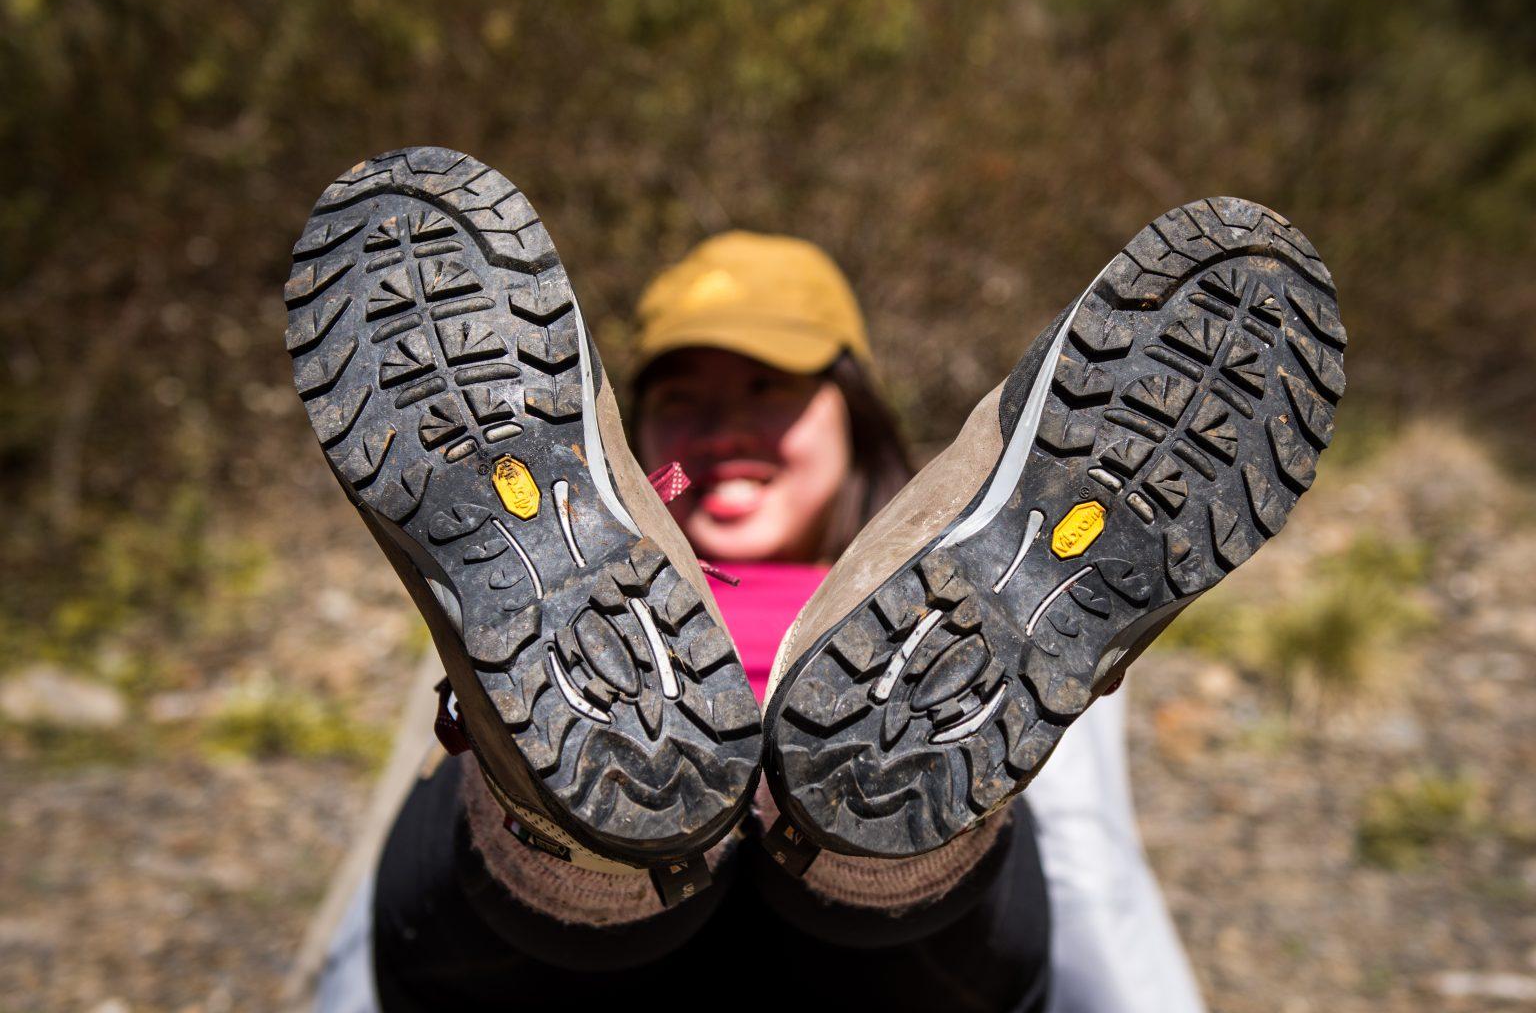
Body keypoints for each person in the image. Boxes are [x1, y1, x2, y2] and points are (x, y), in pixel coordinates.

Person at [291, 148, 1343, 1013]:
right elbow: (380, 938)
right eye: (686, 395)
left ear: (856, 417)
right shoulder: (522, 608)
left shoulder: (986, 599)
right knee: (534, 783)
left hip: (884, 964)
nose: (726, 426)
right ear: (617, 435)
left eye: (770, 386)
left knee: (921, 803)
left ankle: (866, 829)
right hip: (569, 963)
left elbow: (1092, 883)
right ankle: (584, 835)